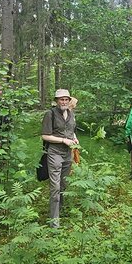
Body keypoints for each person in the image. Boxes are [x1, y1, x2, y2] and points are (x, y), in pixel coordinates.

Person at [41, 89, 79, 228]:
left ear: (69, 101)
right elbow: (45, 136)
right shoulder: (50, 114)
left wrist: (75, 140)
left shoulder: (71, 114)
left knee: (63, 185)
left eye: (66, 99)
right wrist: (63, 140)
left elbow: (72, 131)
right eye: (61, 99)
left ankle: (59, 211)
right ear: (56, 101)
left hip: (68, 154)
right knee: (55, 187)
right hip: (54, 153)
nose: (63, 102)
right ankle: (54, 222)